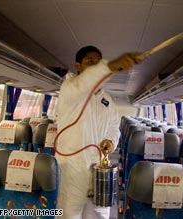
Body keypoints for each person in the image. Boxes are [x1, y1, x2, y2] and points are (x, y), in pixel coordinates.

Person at [55, 45, 143, 219]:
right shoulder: (70, 89)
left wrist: (110, 141)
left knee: (99, 216)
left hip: (99, 172)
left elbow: (113, 125)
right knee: (69, 215)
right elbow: (85, 82)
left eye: (98, 62)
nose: (95, 65)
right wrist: (109, 66)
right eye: (90, 62)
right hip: (72, 171)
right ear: (78, 66)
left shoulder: (106, 100)